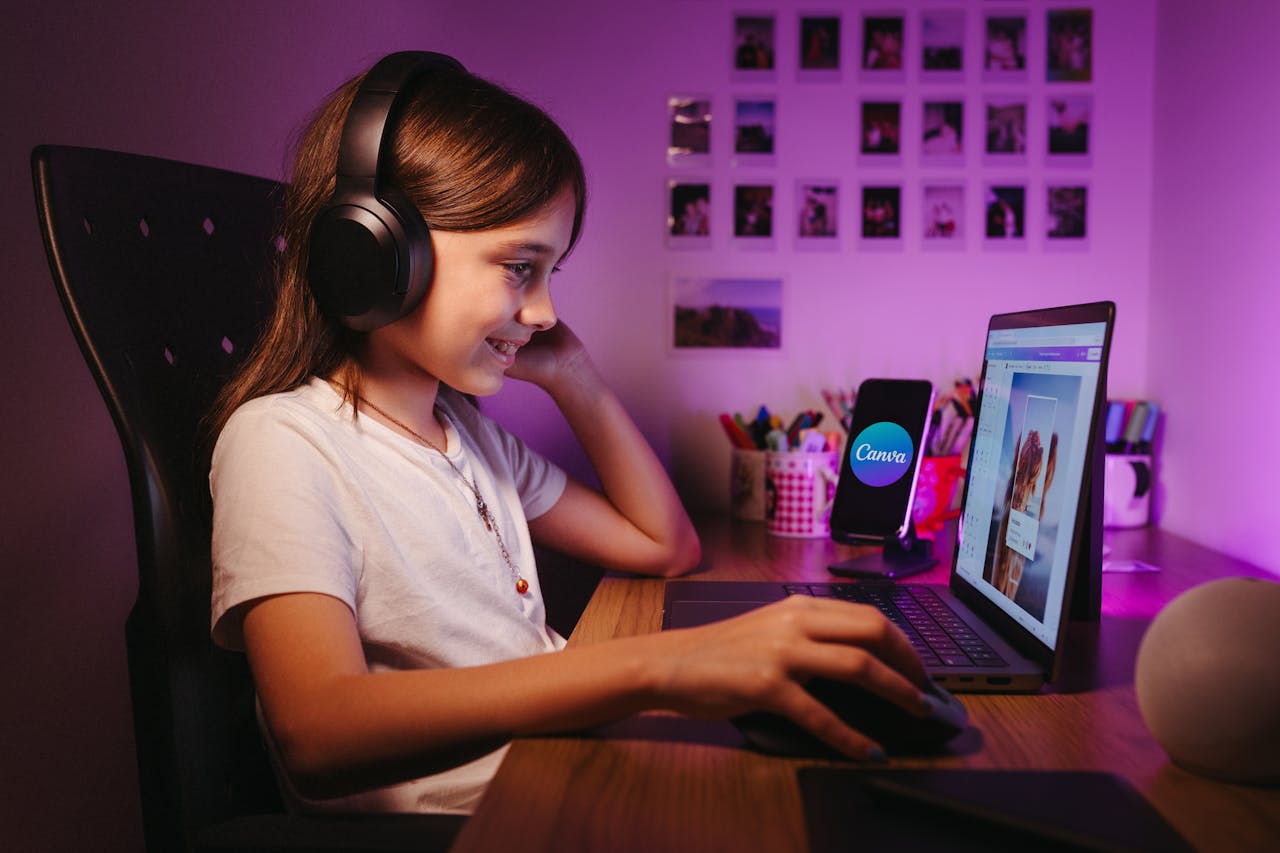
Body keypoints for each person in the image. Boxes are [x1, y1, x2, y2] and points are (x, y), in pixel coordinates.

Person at [206, 53, 936, 816]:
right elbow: (316, 733)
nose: (546, 311)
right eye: (520, 266)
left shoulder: (469, 440)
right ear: (380, 255)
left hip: (565, 770)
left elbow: (665, 546)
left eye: (551, 273)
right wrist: (659, 665)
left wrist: (576, 376)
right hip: (485, 822)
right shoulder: (284, 442)